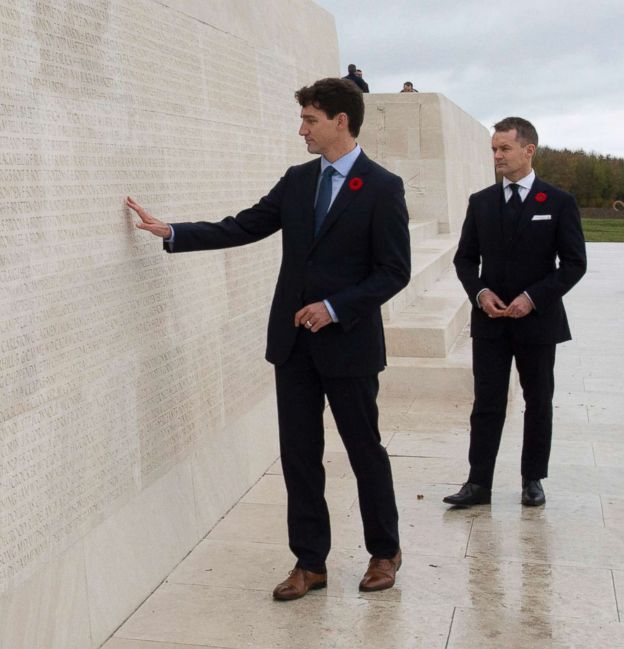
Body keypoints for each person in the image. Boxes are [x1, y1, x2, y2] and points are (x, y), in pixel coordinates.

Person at [126, 78, 410, 599]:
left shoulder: (382, 186)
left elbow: (394, 271)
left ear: (340, 121)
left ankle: (384, 552)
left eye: (310, 120)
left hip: (348, 345)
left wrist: (333, 308)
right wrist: (173, 232)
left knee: (363, 449)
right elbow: (246, 225)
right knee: (299, 455)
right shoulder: (298, 181)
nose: (300, 129)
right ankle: (310, 563)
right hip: (293, 347)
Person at [444, 117, 586, 508]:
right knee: (486, 402)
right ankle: (478, 483)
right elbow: (465, 260)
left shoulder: (558, 202)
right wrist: (480, 292)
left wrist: (533, 298)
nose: (497, 156)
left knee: (538, 400)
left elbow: (574, 264)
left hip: (537, 323)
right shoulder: (481, 202)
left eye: (504, 148)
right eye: (493, 149)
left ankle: (532, 478)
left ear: (528, 150)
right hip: (490, 322)